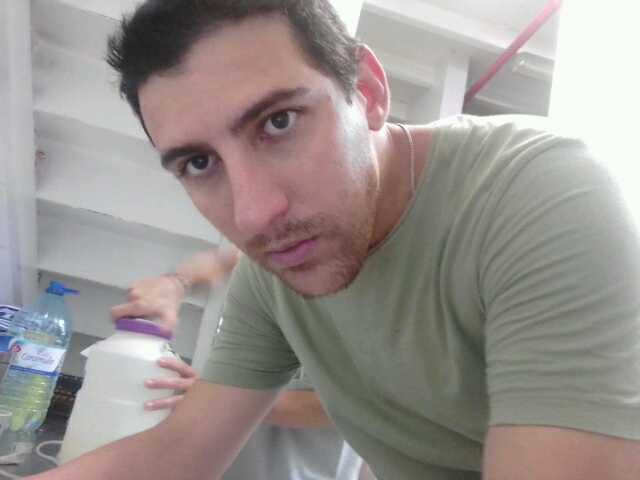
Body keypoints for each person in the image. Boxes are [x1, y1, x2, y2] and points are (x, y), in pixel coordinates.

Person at [32, 0, 640, 478]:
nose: (254, 214)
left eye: (279, 122)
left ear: (368, 91)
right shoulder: (270, 281)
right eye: (198, 163)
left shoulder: (541, 197)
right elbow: (180, 451)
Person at [118, 250, 367, 480]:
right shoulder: (286, 255)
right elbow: (226, 261)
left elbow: (346, 406)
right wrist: (174, 284)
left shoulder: (365, 285)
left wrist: (220, 398)